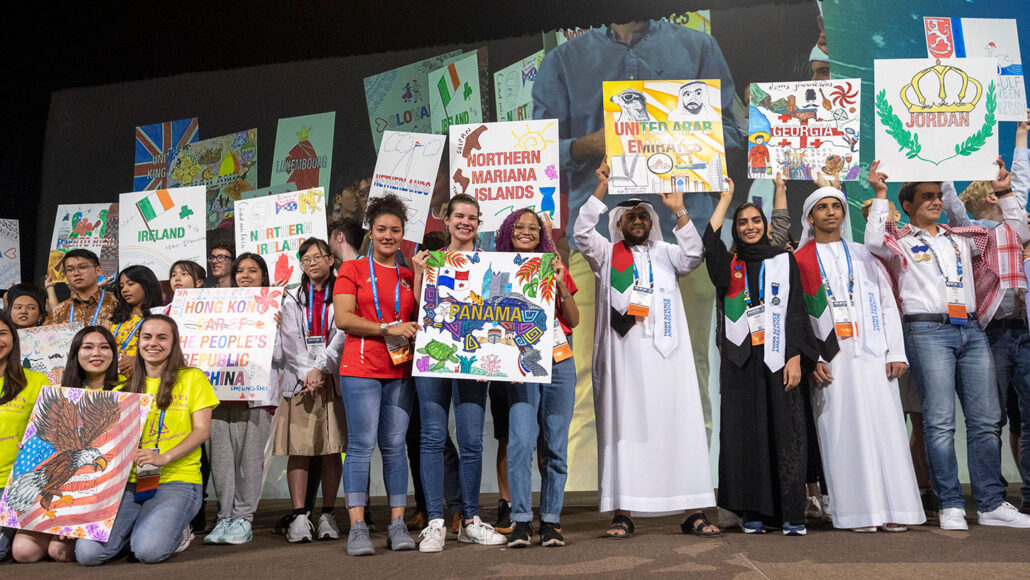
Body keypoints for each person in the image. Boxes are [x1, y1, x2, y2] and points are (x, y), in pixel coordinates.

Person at [534, 20, 743, 488]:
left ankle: (689, 487)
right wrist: (594, 144)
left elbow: (734, 130)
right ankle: (592, 494)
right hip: (600, 245)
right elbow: (539, 146)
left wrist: (680, 136)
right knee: (587, 375)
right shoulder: (565, 59)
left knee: (689, 366)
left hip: (683, 231)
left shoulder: (698, 46)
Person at [865, 159, 1030, 530]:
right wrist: (879, 193)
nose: (936, 201)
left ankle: (990, 503)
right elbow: (874, 241)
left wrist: (1004, 191)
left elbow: (1014, 233)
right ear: (907, 204)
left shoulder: (964, 237)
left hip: (970, 330)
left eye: (938, 195)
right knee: (938, 423)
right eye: (927, 196)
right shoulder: (902, 239)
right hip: (926, 332)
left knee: (986, 421)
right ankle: (950, 503)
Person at [574, 161, 719, 539]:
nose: (637, 221)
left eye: (642, 215)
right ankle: (623, 513)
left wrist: (679, 211)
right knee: (625, 431)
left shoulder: (666, 252)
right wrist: (601, 188)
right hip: (625, 363)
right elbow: (582, 232)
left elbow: (694, 256)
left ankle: (693, 511)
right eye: (630, 216)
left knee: (680, 426)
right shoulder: (606, 255)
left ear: (650, 221)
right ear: (619, 222)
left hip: (669, 361)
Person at [794, 187, 926, 532]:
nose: (830, 212)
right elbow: (796, 318)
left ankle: (897, 510)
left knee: (887, 430)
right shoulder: (799, 260)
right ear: (810, 217)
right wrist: (811, 359)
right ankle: (858, 513)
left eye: (835, 206)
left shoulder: (865, 254)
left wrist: (895, 351)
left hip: (873, 355)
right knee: (842, 433)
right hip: (832, 360)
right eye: (821, 207)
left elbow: (886, 302)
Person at [704, 177, 812, 536]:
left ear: (766, 227)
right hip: (741, 361)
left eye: (756, 221)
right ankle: (752, 511)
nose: (750, 227)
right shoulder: (729, 266)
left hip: (780, 356)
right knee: (744, 434)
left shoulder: (783, 260)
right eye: (743, 222)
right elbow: (710, 243)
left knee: (786, 433)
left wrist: (795, 355)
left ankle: (790, 513)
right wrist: (725, 199)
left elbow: (796, 309)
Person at [75, 315, 218, 565]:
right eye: (147, 337)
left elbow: (201, 431)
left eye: (162, 337)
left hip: (176, 480)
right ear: (138, 343)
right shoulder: (122, 387)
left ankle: (176, 530)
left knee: (148, 552)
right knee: (88, 554)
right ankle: (136, 530)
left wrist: (165, 457)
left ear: (174, 343)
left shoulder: (192, 378)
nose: (154, 343)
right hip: (129, 484)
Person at [942, 113, 1030, 513]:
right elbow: (953, 208)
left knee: (1027, 419)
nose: (1008, 196)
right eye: (999, 192)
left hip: (1024, 331)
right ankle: (991, 499)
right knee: (989, 420)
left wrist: (1023, 136)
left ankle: (1026, 497)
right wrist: (937, 161)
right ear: (987, 199)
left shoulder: (1014, 228)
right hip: (991, 332)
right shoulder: (973, 232)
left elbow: (1019, 211)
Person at [410, 194, 507, 552]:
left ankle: (470, 520)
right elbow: (420, 309)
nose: (465, 222)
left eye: (472, 217)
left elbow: (496, 312)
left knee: (471, 442)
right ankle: (436, 521)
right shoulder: (431, 261)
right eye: (459, 216)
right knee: (432, 439)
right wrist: (420, 274)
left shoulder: (491, 264)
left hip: (471, 361)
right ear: (446, 221)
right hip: (434, 358)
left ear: (478, 222)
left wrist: (489, 357)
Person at [334, 193, 418, 556]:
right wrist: (387, 328)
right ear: (370, 230)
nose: (388, 235)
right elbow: (344, 319)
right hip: (361, 368)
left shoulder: (409, 274)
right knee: (360, 446)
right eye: (381, 228)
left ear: (403, 234)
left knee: (395, 447)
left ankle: (397, 524)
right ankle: (357, 527)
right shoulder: (351, 270)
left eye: (395, 230)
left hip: (400, 370)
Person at [495, 209, 579, 548]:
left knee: (556, 445)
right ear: (508, 232)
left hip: (560, 362)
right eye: (520, 226)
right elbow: (490, 318)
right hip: (520, 364)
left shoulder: (554, 266)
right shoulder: (497, 269)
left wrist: (561, 285)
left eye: (533, 227)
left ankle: (551, 521)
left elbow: (574, 318)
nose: (527, 231)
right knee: (520, 443)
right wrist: (505, 361)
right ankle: (519, 522)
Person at [9, 326, 122, 563]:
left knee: (59, 552)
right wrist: (31, 446)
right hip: (55, 486)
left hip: (103, 494)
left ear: (113, 353)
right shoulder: (61, 393)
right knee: (23, 552)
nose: (96, 353)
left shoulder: (128, 390)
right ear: (75, 353)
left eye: (104, 347)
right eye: (88, 347)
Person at [272, 238, 347, 543]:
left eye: (318, 257)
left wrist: (322, 368)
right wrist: (308, 373)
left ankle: (328, 513)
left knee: (331, 450)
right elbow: (290, 342)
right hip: (301, 383)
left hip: (332, 380)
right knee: (299, 450)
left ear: (331, 259)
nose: (313, 263)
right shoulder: (292, 297)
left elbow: (342, 333)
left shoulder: (343, 290)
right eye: (306, 259)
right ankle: (300, 516)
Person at [204, 253, 275, 545]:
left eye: (253, 271)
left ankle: (243, 518)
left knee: (249, 462)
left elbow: (281, 357)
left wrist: (277, 328)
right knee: (221, 461)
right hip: (219, 394)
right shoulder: (219, 305)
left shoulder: (274, 306)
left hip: (254, 396)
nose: (245, 275)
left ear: (263, 276)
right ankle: (224, 518)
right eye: (240, 271)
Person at [0, 311, 49, 562]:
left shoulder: (36, 381)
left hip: (13, 484)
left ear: (13, 338)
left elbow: (50, 434)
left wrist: (37, 443)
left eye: (2, 333)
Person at [110, 265, 163, 378]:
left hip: (142, 379)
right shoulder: (115, 317)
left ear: (146, 285)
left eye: (130, 284)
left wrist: (139, 362)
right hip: (112, 380)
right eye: (121, 286)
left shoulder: (160, 317)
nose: (125, 290)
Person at [43, 249, 116, 327]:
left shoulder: (117, 303)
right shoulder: (59, 311)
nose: (76, 273)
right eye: (70, 270)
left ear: (98, 270)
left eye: (82, 267)